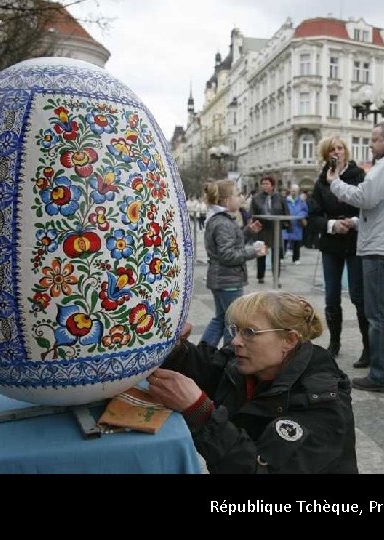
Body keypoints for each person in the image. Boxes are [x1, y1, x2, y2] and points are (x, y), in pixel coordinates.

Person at [145, 291, 358, 474]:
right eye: (236, 330)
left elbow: (261, 468)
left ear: (289, 340)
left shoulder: (321, 400)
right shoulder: (248, 366)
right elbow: (207, 367)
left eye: (249, 332)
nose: (236, 341)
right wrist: (174, 349)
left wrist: (201, 413)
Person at [327, 121, 384, 393]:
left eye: (375, 139)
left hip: (381, 249)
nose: (370, 144)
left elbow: (365, 196)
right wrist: (357, 222)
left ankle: (381, 374)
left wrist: (335, 183)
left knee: (379, 314)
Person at [308, 136, 370, 368]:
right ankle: (334, 343)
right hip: (331, 245)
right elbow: (313, 216)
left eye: (340, 148)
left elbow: (367, 205)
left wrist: (352, 222)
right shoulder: (322, 182)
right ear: (326, 155)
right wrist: (332, 224)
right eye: (332, 149)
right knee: (331, 296)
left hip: (355, 242)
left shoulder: (359, 176)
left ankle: (368, 346)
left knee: (358, 295)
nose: (337, 152)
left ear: (346, 152)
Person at [200, 180, 265, 348]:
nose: (241, 197)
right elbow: (227, 255)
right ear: (226, 201)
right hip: (228, 280)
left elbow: (231, 244)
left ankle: (203, 354)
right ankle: (229, 358)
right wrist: (254, 252)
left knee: (221, 318)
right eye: (237, 194)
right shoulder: (222, 223)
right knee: (233, 322)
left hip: (222, 278)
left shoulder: (222, 220)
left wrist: (249, 232)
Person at [250, 176, 289, 284]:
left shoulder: (280, 198)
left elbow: (286, 212)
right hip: (262, 230)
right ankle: (260, 276)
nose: (264, 186)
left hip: (275, 230)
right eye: (263, 184)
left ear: (272, 185)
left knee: (276, 255)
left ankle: (276, 277)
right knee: (261, 254)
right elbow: (252, 214)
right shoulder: (256, 198)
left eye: (267, 184)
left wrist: (286, 224)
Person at [282, 184, 308, 265]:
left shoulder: (301, 201)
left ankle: (296, 258)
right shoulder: (285, 200)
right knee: (284, 240)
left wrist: (300, 215)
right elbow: (282, 209)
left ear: (298, 191)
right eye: (293, 190)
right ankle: (281, 256)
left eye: (296, 191)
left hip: (297, 223)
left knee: (296, 242)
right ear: (290, 190)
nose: (294, 192)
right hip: (287, 222)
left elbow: (305, 211)